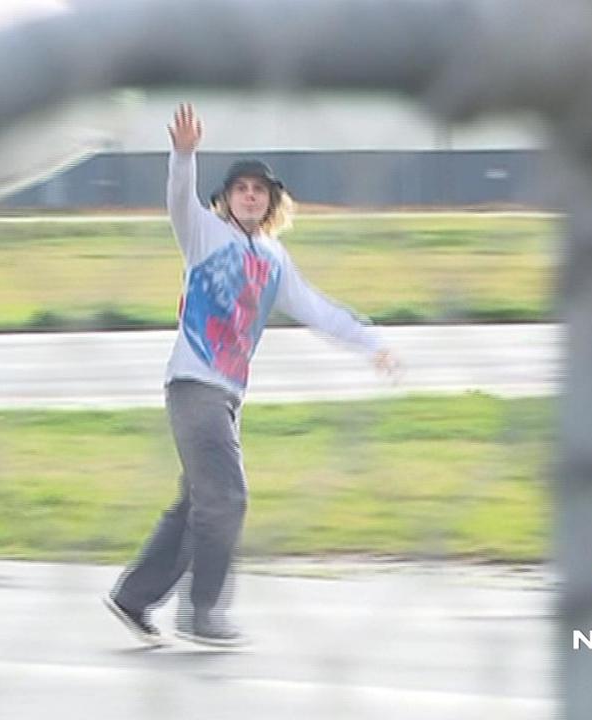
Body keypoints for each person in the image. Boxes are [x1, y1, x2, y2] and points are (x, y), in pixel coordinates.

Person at [103, 104, 398, 648]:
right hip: (194, 385)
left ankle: (133, 598)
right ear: (226, 198)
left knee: (197, 503)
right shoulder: (203, 233)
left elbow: (316, 308)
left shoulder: (273, 257)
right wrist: (183, 155)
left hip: (228, 394)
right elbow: (176, 201)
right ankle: (204, 613)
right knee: (227, 498)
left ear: (272, 202)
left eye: (259, 190)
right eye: (240, 188)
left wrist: (370, 341)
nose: (249, 196)